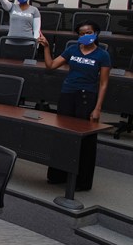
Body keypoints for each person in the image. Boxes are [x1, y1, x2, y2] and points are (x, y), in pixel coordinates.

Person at [38, 21, 110, 191]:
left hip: (87, 98)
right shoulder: (72, 50)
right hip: (68, 95)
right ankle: (58, 175)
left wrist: (98, 108)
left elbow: (104, 84)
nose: (85, 36)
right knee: (62, 135)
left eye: (89, 32)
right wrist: (47, 47)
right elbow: (51, 66)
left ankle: (82, 182)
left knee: (85, 139)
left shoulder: (102, 55)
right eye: (81, 33)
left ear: (96, 34)